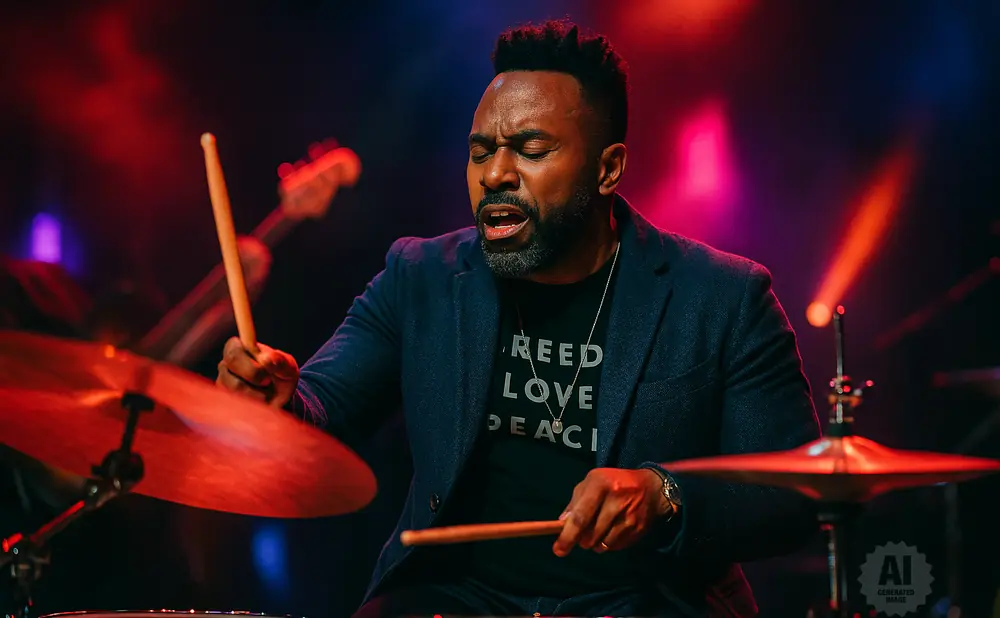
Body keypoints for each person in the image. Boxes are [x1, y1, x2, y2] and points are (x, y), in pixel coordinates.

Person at [216, 19, 822, 618]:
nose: (495, 175)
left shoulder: (724, 297)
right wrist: (277, 403)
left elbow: (793, 496)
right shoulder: (421, 276)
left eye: (531, 151)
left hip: (641, 599)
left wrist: (664, 496)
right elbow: (321, 409)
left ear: (608, 169)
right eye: (480, 153)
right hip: (457, 595)